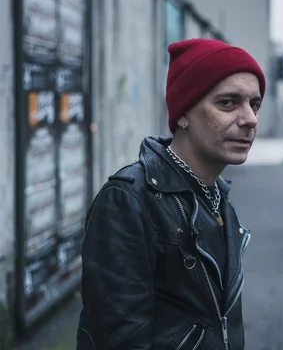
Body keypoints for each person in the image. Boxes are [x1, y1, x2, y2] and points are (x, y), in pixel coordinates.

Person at [76, 38, 266, 350]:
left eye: (254, 104)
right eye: (228, 103)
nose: (250, 119)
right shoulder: (130, 201)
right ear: (183, 114)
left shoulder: (217, 199)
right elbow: (117, 338)